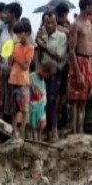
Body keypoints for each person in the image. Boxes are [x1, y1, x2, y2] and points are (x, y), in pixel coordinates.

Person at [68, 0, 92, 135]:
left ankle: (80, 131)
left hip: (88, 62)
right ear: (86, 6)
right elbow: (71, 51)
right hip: (78, 62)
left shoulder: (89, 23)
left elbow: (91, 46)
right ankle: (74, 132)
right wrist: (78, 72)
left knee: (84, 99)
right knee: (75, 100)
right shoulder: (76, 25)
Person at [35, 12, 67, 141]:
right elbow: (37, 56)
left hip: (55, 73)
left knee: (52, 102)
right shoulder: (41, 36)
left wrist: (43, 46)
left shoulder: (61, 37)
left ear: (56, 23)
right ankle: (43, 130)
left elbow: (59, 55)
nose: (50, 25)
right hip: (43, 73)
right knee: (41, 102)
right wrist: (38, 69)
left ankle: (54, 130)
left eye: (53, 22)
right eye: (47, 22)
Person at [9, 20, 34, 140]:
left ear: (28, 33)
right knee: (14, 109)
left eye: (20, 33)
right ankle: (14, 132)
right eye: (17, 34)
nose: (18, 36)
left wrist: (15, 57)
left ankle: (23, 133)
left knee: (24, 109)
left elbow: (25, 66)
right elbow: (10, 64)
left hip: (23, 82)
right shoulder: (16, 46)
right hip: (13, 80)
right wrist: (10, 55)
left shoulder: (30, 48)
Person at [28, 61, 57, 142]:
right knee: (33, 125)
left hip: (41, 106)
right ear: (43, 70)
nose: (47, 77)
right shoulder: (32, 77)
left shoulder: (43, 80)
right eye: (47, 75)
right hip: (33, 106)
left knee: (41, 125)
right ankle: (33, 140)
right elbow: (30, 89)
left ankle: (39, 140)